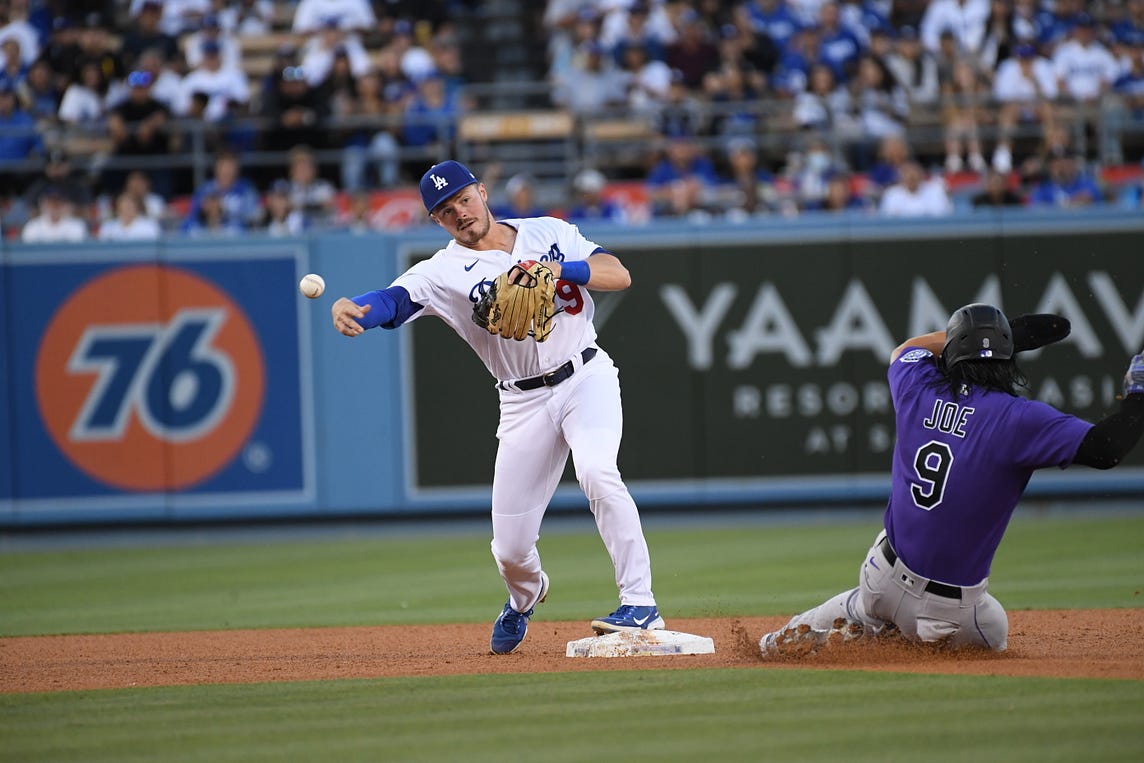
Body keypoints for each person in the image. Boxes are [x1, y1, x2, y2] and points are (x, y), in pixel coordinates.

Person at [329, 160, 665, 654]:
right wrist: (356, 306)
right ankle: (524, 598)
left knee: (597, 470)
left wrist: (557, 269)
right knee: (509, 550)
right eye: (445, 211)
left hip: (585, 375)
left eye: (464, 199)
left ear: (482, 192)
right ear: (437, 222)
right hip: (522, 402)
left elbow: (618, 275)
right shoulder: (441, 271)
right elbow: (393, 300)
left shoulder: (549, 231)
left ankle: (640, 604)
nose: (460, 213)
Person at [760, 304, 1144, 656]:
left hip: (879, 577)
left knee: (859, 604)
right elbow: (1106, 448)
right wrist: (1139, 397)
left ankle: (797, 636)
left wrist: (1003, 332)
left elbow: (907, 348)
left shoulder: (916, 386)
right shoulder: (1017, 419)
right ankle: (895, 631)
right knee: (995, 629)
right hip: (944, 614)